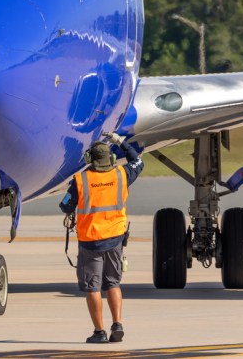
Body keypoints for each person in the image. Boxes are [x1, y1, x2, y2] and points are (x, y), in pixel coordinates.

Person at [59, 131, 144, 344]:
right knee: (113, 283)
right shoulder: (122, 175)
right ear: (111, 159)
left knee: (93, 288)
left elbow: (65, 206)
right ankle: (118, 323)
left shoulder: (80, 180)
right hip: (115, 238)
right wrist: (121, 142)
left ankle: (99, 332)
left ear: (90, 159)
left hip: (91, 242)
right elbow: (138, 161)